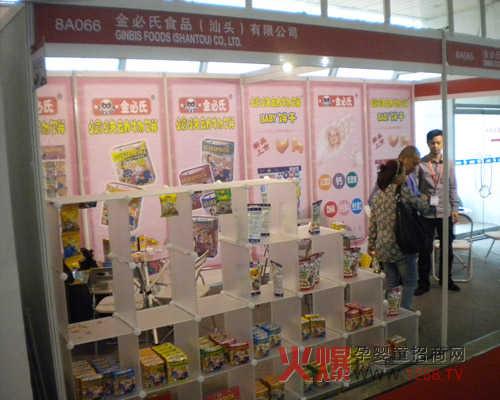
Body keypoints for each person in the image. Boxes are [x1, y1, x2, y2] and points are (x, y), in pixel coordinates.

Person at [368, 160, 428, 310]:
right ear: (397, 176)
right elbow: (423, 208)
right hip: (401, 246)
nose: (406, 175)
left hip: (383, 248)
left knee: (391, 283)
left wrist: (371, 246)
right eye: (403, 173)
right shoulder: (403, 191)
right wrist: (424, 199)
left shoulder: (377, 195)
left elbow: (373, 224)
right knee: (409, 282)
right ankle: (404, 315)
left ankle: (390, 314)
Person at [414, 129, 461, 295]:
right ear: (428, 144)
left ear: (443, 144)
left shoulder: (449, 164)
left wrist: (455, 208)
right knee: (425, 250)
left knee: (446, 249)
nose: (436, 146)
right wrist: (420, 198)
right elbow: (414, 189)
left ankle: (446, 279)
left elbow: (452, 187)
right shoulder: (420, 164)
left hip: (445, 213)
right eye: (433, 143)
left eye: (439, 143)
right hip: (426, 214)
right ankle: (423, 283)